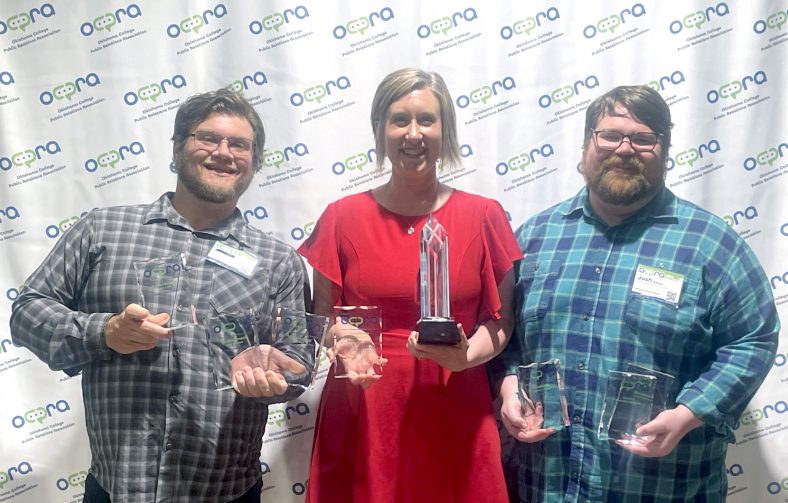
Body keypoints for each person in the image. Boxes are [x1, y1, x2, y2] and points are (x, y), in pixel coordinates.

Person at [10, 89, 314, 503]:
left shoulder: (279, 263)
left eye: (239, 144)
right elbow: (27, 311)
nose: (223, 152)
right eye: (208, 138)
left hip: (226, 493)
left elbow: (299, 363)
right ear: (177, 147)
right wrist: (104, 331)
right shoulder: (101, 231)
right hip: (116, 490)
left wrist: (271, 378)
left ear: (255, 162)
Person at [494, 85, 780, 501]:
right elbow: (505, 335)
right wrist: (507, 385)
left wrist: (690, 412)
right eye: (609, 135)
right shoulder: (535, 237)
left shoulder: (711, 245)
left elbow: (752, 339)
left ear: (664, 150)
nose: (624, 149)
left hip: (661, 488)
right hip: (547, 486)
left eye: (644, 138)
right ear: (586, 143)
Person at [298, 68, 523, 503]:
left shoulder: (484, 215)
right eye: (399, 119)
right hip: (364, 405)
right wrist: (344, 339)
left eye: (427, 119)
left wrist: (465, 357)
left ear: (446, 130)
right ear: (380, 129)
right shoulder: (341, 217)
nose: (413, 133)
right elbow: (321, 320)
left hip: (455, 401)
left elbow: (501, 322)